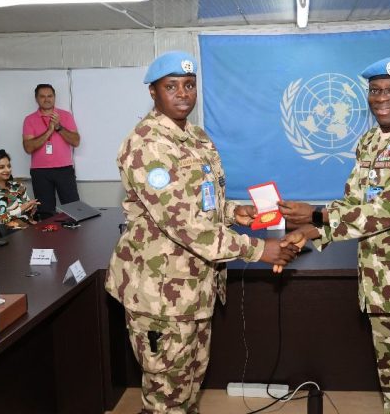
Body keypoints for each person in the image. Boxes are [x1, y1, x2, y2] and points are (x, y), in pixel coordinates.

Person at [105, 51, 299, 414]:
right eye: (171, 86)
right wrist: (259, 250)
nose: (182, 93)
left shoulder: (194, 136)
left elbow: (202, 201)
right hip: (161, 294)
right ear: (153, 92)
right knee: (166, 397)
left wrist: (234, 211)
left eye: (189, 85)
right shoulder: (147, 144)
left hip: (195, 287)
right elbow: (183, 223)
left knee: (189, 386)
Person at [278, 57, 390, 414]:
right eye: (376, 90)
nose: (382, 98)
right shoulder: (370, 141)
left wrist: (316, 214)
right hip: (380, 288)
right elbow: (356, 203)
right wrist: (312, 231)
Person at [22, 83, 81, 218]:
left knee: (73, 208)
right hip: (40, 172)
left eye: (50, 96)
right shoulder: (29, 119)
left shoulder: (66, 116)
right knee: (45, 212)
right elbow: (28, 147)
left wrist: (58, 127)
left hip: (64, 169)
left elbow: (76, 141)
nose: (47, 99)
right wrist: (49, 131)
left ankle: (74, 232)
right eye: (42, 96)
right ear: (36, 99)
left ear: (54, 97)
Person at [0, 149, 40, 230]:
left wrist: (31, 208)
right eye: (1, 167)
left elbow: (28, 212)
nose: (7, 170)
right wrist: (20, 209)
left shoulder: (18, 186)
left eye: (9, 166)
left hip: (31, 228)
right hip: (11, 233)